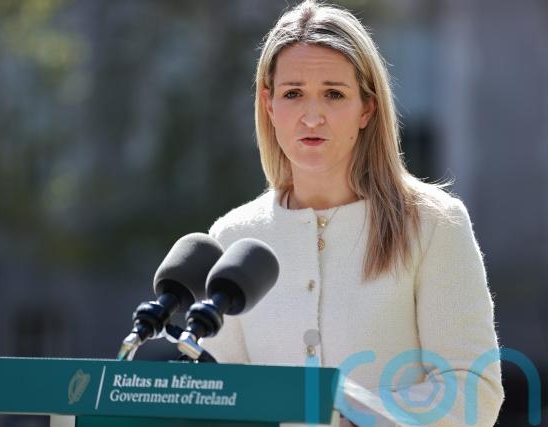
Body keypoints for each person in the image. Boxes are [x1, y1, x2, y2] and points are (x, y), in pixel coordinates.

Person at [202, 1, 504, 425]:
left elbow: (474, 391)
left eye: (334, 94)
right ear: (269, 105)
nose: (312, 116)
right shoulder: (231, 239)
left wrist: (353, 416)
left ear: (367, 108)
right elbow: (217, 401)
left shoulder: (434, 224)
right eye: (293, 94)